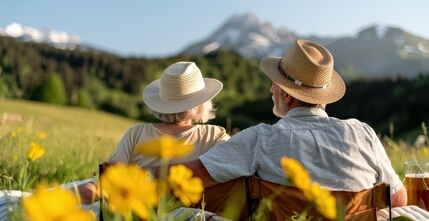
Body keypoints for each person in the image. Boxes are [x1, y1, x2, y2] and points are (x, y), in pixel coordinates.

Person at [176, 39, 407, 207]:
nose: (270, 89)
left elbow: (181, 176)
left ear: (287, 96)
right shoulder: (363, 133)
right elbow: (398, 199)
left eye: (275, 84)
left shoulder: (259, 139)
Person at [77, 61, 230, 204]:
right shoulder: (215, 136)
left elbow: (105, 184)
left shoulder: (136, 133)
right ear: (202, 104)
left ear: (161, 102)